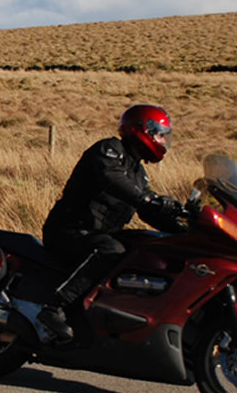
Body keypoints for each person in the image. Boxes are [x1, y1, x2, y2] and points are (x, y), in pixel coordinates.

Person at [38, 104, 191, 340]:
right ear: (141, 129)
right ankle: (53, 307)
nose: (162, 140)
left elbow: (147, 211)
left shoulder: (138, 173)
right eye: (159, 133)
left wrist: (184, 229)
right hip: (69, 230)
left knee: (138, 248)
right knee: (111, 250)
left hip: (95, 234)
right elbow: (113, 180)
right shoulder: (109, 150)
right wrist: (148, 198)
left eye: (164, 135)